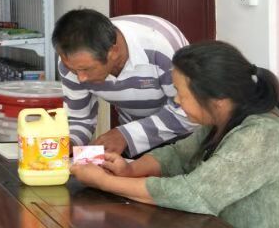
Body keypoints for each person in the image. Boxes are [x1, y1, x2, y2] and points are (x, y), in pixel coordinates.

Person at [70, 40, 279, 228]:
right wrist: (129, 170)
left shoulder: (260, 135)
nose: (177, 101)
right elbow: (177, 155)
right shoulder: (223, 119)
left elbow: (191, 195)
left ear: (217, 97)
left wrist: (105, 182)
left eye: (181, 93)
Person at [53, 9, 194, 156]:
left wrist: (125, 135)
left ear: (113, 52)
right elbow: (80, 118)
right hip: (135, 137)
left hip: (188, 139)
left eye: (86, 69)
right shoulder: (72, 62)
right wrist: (67, 145)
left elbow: (188, 111)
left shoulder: (162, 49)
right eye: (73, 69)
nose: (80, 78)